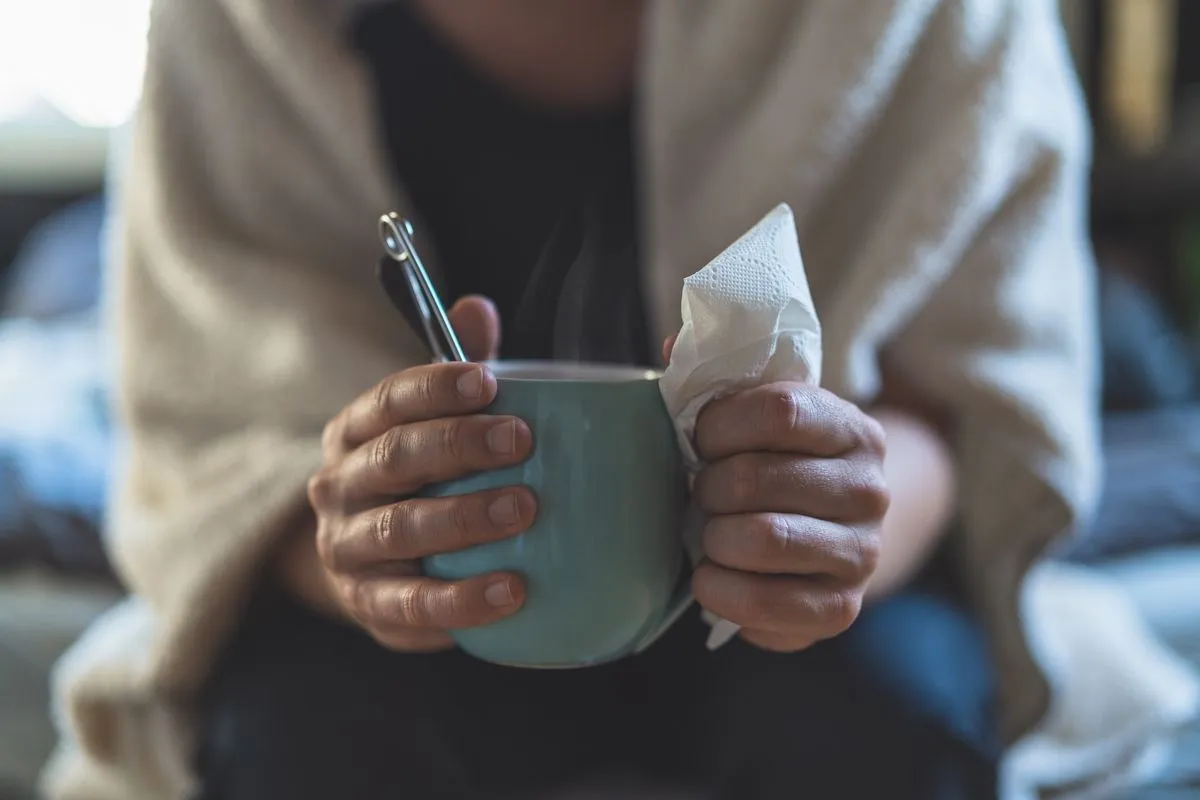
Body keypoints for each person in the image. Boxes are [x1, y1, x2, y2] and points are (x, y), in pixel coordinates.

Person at [44, 1, 1098, 799]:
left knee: (884, 716)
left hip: (809, 620)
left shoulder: (928, 21)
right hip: (405, 635)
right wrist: (359, 538)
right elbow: (216, 435)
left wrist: (833, 512)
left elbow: (971, 388)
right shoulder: (236, 29)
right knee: (302, 730)